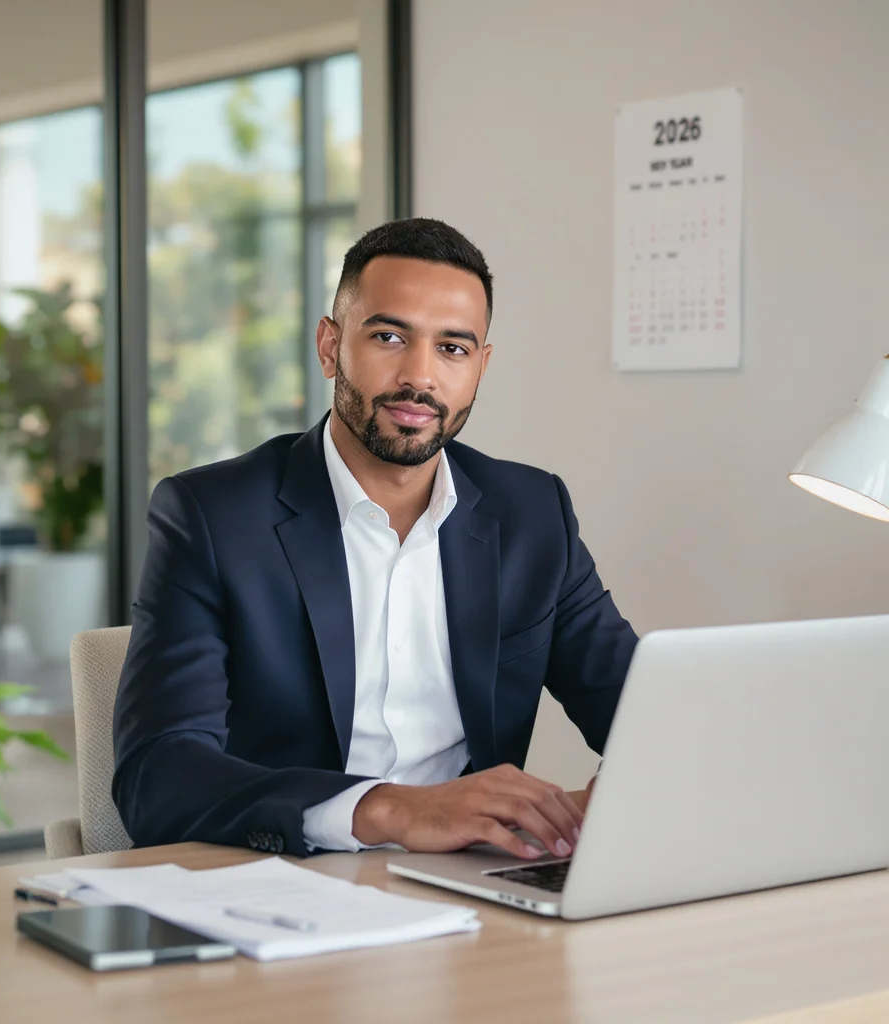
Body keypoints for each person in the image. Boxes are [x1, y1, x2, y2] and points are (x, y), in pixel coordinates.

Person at [113, 218, 638, 860]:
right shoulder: (213, 517)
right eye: (390, 337)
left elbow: (642, 712)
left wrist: (625, 791)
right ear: (329, 346)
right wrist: (388, 809)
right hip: (288, 877)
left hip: (473, 880)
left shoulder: (531, 514)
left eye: (452, 348)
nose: (420, 376)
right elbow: (156, 777)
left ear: (481, 366)